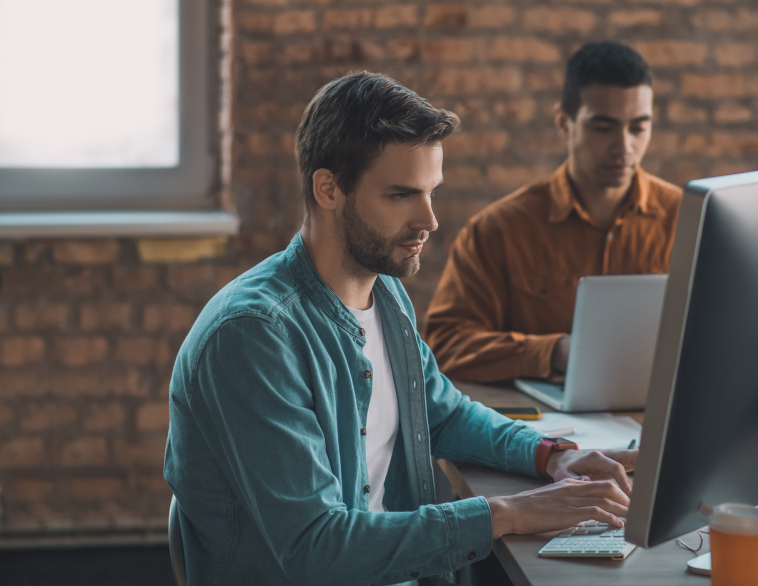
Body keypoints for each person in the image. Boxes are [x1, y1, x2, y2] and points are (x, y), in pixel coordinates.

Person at [163, 72, 637, 586]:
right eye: (401, 195)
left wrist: (551, 457)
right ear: (329, 189)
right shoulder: (253, 336)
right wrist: (511, 514)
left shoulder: (384, 292)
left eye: (432, 192)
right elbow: (316, 548)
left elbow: (441, 412)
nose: (430, 220)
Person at [424, 41, 683, 382]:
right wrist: (554, 352)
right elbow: (444, 343)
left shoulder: (687, 220)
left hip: (656, 420)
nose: (624, 146)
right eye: (603, 127)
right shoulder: (498, 230)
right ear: (563, 122)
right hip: (545, 427)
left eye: (638, 127)